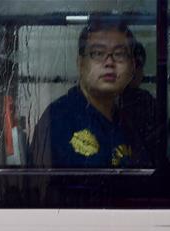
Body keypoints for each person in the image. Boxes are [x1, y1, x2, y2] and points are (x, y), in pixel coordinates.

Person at [30, 20, 147, 168]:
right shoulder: (58, 120)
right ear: (80, 64)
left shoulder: (131, 119)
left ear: (132, 66)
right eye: (98, 53)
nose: (109, 62)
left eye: (119, 54)